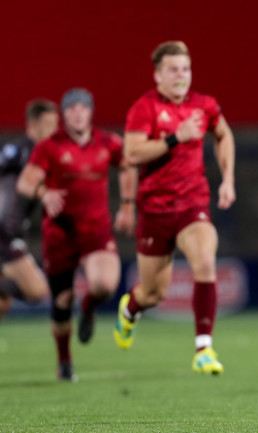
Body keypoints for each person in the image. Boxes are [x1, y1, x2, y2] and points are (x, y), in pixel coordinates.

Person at [113, 41, 236, 376]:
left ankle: (203, 348)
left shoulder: (204, 105)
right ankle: (131, 310)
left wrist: (227, 179)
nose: (181, 75)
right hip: (154, 209)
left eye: (185, 68)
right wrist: (174, 138)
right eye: (173, 69)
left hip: (192, 203)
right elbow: (132, 154)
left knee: (205, 260)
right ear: (158, 76)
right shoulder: (145, 107)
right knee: (153, 293)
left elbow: (223, 134)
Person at [16, 88, 137, 380]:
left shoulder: (107, 142)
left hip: (95, 231)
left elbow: (128, 165)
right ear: (64, 115)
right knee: (61, 301)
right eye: (72, 109)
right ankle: (65, 361)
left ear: (91, 112)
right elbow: (25, 182)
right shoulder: (50, 146)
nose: (78, 113)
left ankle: (89, 308)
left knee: (105, 285)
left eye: (83, 107)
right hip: (59, 234)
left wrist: (127, 206)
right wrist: (43, 193)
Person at [0, 99, 58, 318]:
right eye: (48, 124)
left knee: (2, 303)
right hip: (4, 230)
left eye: (55, 124)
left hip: (12, 230)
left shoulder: (46, 157)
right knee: (36, 290)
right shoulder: (20, 150)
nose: (54, 130)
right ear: (33, 126)